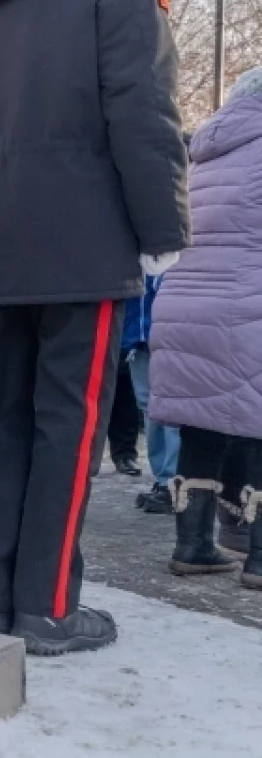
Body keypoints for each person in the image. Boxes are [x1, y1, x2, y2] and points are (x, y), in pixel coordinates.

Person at [0, 0, 190, 653]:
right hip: (84, 232)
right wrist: (161, 227)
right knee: (67, 422)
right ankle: (46, 606)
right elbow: (139, 93)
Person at [149, 67, 262, 591]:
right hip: (248, 309)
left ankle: (192, 546)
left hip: (184, 309)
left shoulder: (202, 156)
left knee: (202, 426)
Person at [123, 275, 182, 513]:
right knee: (150, 407)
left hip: (170, 334)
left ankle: (174, 482)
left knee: (171, 409)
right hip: (137, 335)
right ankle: (163, 480)